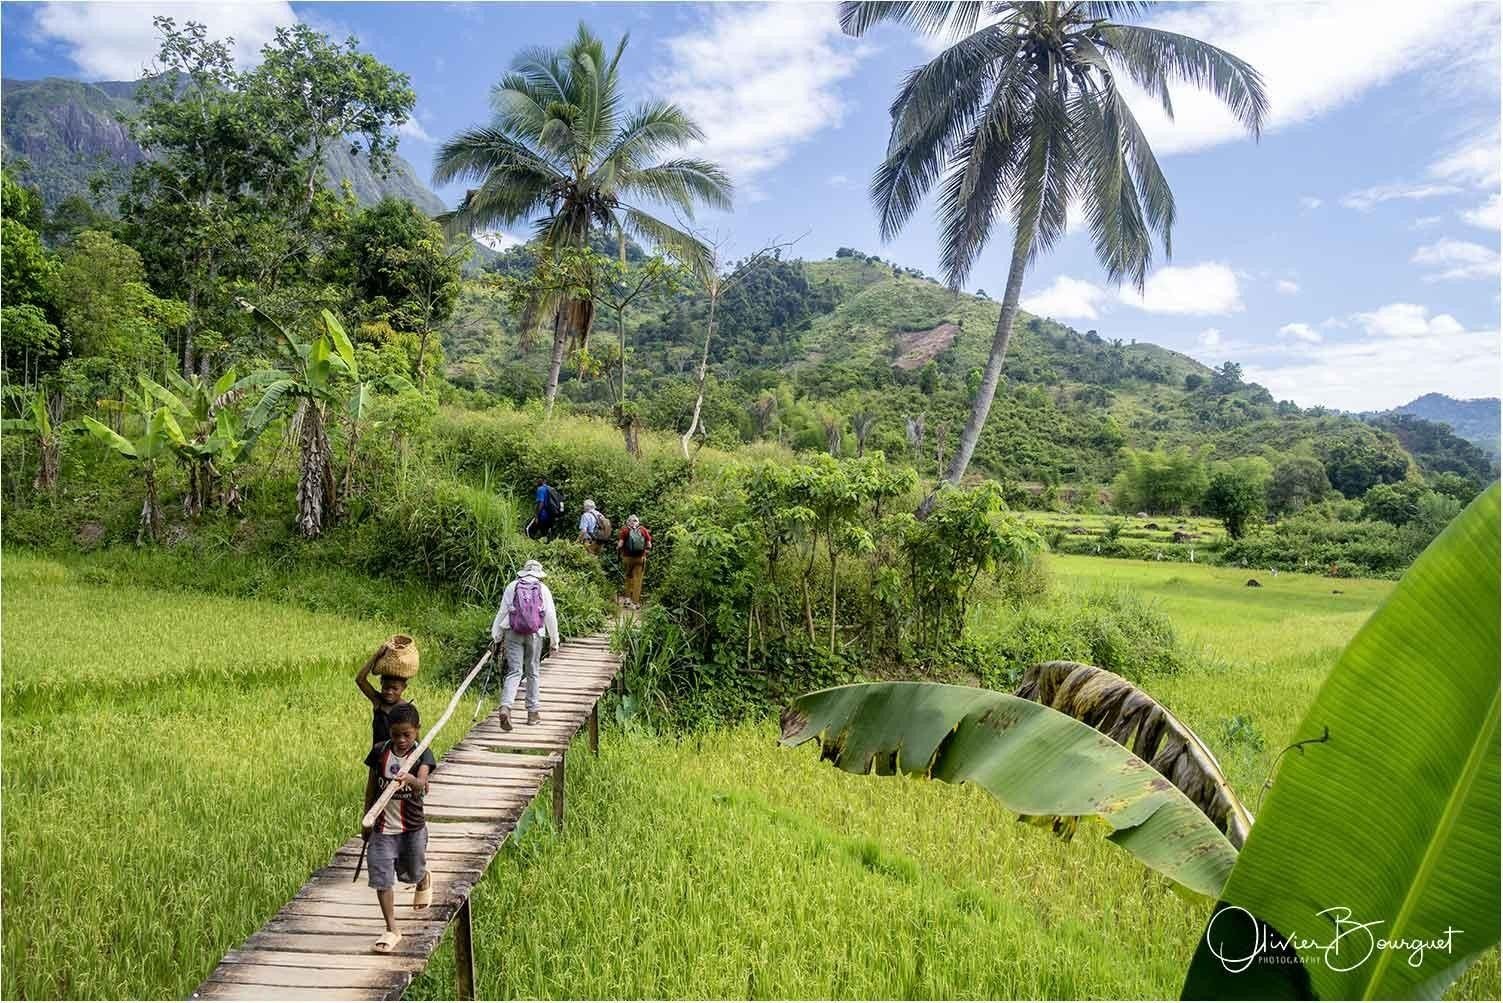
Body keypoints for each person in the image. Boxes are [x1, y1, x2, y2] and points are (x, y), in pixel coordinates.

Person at [362, 702, 436, 954]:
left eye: (407, 734)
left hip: (411, 829)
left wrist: (411, 779)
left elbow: (422, 785)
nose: (401, 740)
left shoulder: (422, 755)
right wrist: (367, 818)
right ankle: (392, 928)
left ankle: (422, 877)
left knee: (412, 872)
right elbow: (371, 786)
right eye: (396, 735)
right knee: (382, 878)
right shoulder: (380, 752)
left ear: (417, 730)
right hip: (383, 829)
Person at [489, 559, 560, 730]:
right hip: (535, 634)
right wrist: (554, 641)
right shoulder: (543, 589)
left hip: (513, 632)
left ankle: (506, 707)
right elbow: (550, 617)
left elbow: (502, 612)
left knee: (515, 671)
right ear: (538, 574)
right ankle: (533, 714)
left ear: (524, 572)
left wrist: (496, 635)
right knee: (533, 671)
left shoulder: (512, 586)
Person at [354, 641, 409, 748]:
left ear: (404, 687)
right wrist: (376, 655)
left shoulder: (407, 709)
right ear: (381, 683)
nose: (389, 692)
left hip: (397, 758)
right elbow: (360, 680)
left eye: (395, 689)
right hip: (377, 756)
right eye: (386, 688)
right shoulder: (378, 701)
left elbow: (414, 736)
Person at [616, 514, 652, 608]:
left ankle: (627, 599)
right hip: (640, 558)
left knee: (628, 577)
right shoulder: (643, 530)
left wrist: (618, 549)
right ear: (638, 522)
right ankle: (635, 602)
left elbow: (620, 544)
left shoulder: (625, 530)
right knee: (638, 580)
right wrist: (645, 553)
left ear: (628, 522)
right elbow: (649, 545)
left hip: (627, 558)